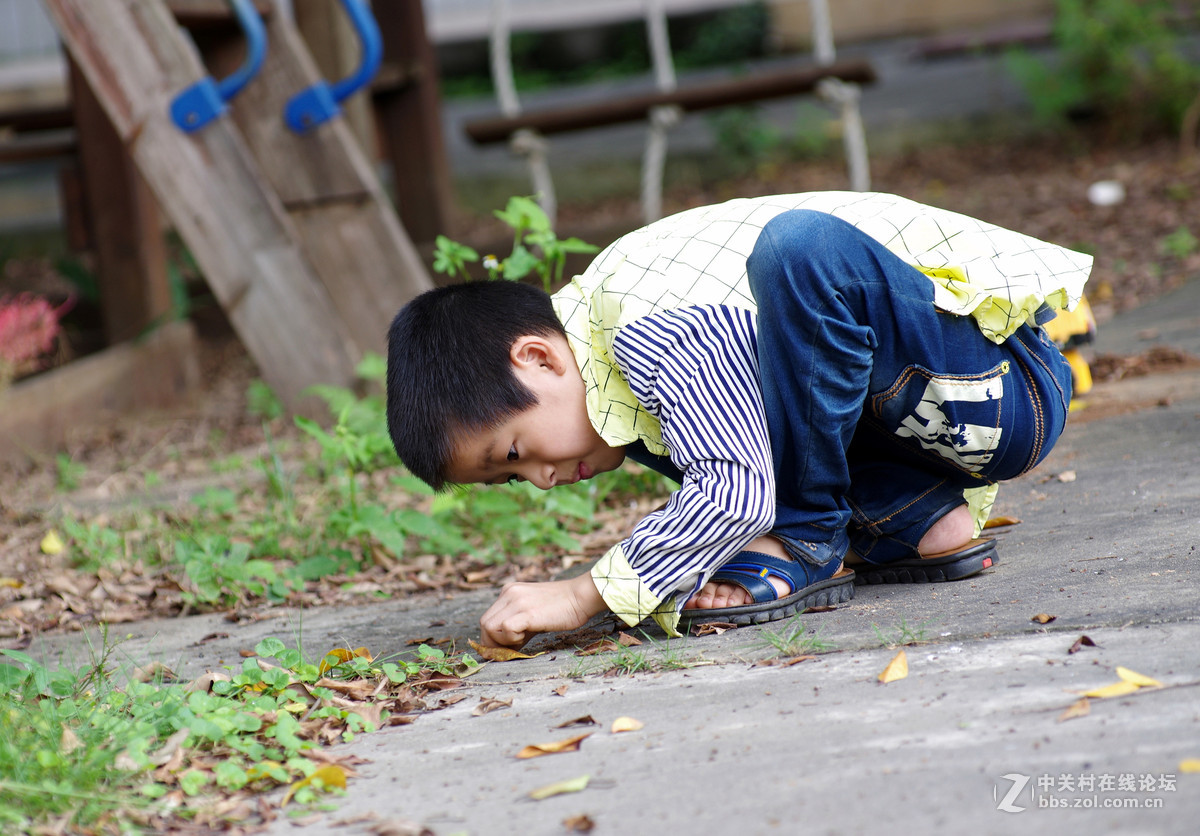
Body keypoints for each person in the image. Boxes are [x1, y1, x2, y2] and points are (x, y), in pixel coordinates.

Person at [386, 192, 1091, 649]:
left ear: (538, 358)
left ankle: (810, 536)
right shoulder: (609, 380)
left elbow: (734, 487)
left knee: (801, 249)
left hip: (998, 387)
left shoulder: (642, 324)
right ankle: (918, 523)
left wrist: (584, 593)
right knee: (702, 428)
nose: (540, 482)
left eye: (513, 453)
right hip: (927, 419)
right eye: (512, 482)